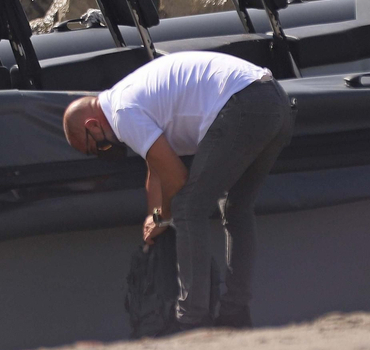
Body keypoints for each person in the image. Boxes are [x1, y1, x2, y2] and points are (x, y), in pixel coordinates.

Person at [61, 51, 293, 330]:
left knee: (186, 208)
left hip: (241, 104)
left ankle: (192, 318)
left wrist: (162, 218)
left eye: (95, 147)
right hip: (273, 101)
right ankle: (235, 312)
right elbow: (155, 170)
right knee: (236, 208)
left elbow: (176, 178)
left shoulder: (121, 114)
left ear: (92, 125)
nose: (102, 152)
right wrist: (153, 217)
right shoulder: (126, 98)